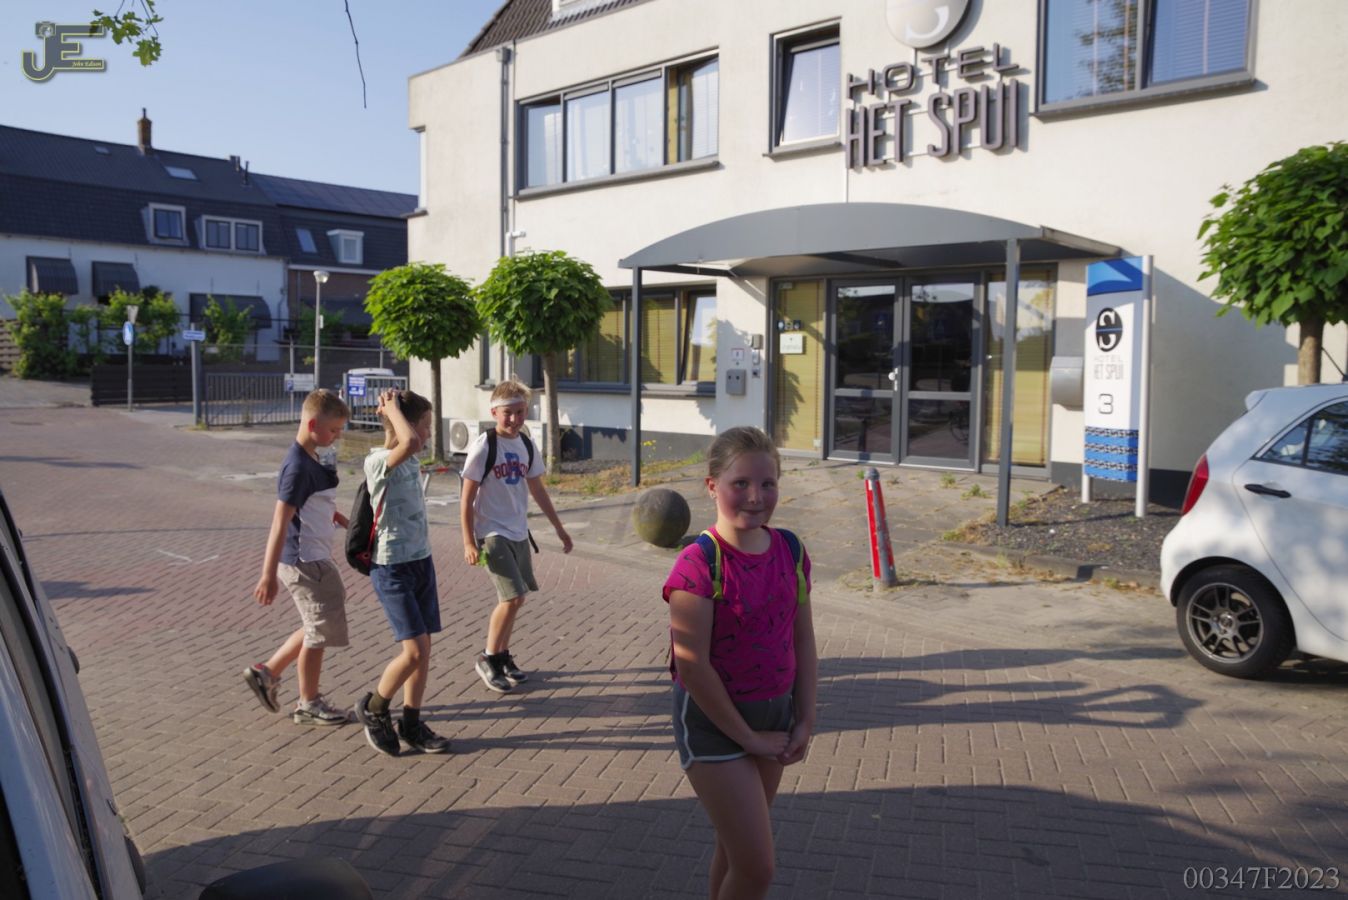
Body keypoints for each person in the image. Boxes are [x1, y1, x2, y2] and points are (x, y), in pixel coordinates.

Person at [662, 426, 818, 900]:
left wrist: (806, 718)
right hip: (714, 726)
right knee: (757, 869)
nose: (756, 496)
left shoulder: (790, 550)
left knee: (734, 854)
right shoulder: (698, 564)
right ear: (712, 486)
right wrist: (748, 738)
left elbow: (802, 639)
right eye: (741, 484)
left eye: (768, 483)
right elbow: (693, 667)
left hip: (774, 718)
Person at [352, 388, 451, 756]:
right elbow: (407, 440)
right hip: (391, 568)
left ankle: (411, 722)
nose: (428, 434)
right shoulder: (379, 461)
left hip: (420, 562)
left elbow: (410, 444)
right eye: (425, 426)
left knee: (424, 650)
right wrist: (393, 409)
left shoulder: (410, 460)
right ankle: (375, 707)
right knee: (413, 652)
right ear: (405, 425)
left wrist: (399, 417)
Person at [246, 388, 352, 726]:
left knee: (315, 626)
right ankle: (308, 702)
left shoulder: (312, 459)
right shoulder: (297, 467)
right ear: (312, 425)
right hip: (305, 562)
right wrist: (267, 575)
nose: (337, 436)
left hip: (312, 558)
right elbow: (280, 521)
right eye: (333, 430)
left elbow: (313, 505)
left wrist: (339, 519)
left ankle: (267, 672)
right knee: (317, 633)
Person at [460, 379, 573, 693]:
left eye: (521, 412)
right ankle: (488, 658)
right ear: (494, 412)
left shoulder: (526, 444)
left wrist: (559, 528)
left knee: (516, 598)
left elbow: (537, 488)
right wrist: (468, 541)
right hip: (491, 533)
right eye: (508, 412)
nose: (514, 418)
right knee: (511, 597)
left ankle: (502, 654)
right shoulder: (485, 446)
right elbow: (466, 498)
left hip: (518, 532)